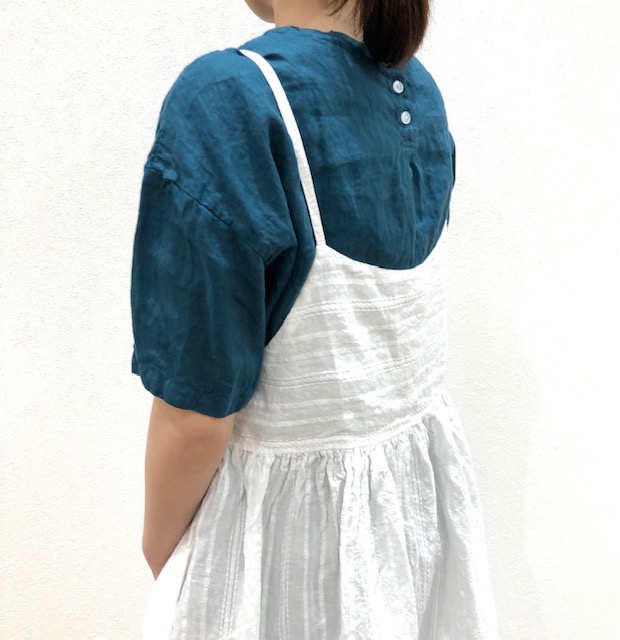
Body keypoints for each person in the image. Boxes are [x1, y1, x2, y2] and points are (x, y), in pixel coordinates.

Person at [129, 0, 501, 636]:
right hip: (413, 527)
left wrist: (165, 556)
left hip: (283, 556)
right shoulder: (419, 91)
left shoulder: (230, 101)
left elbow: (194, 414)